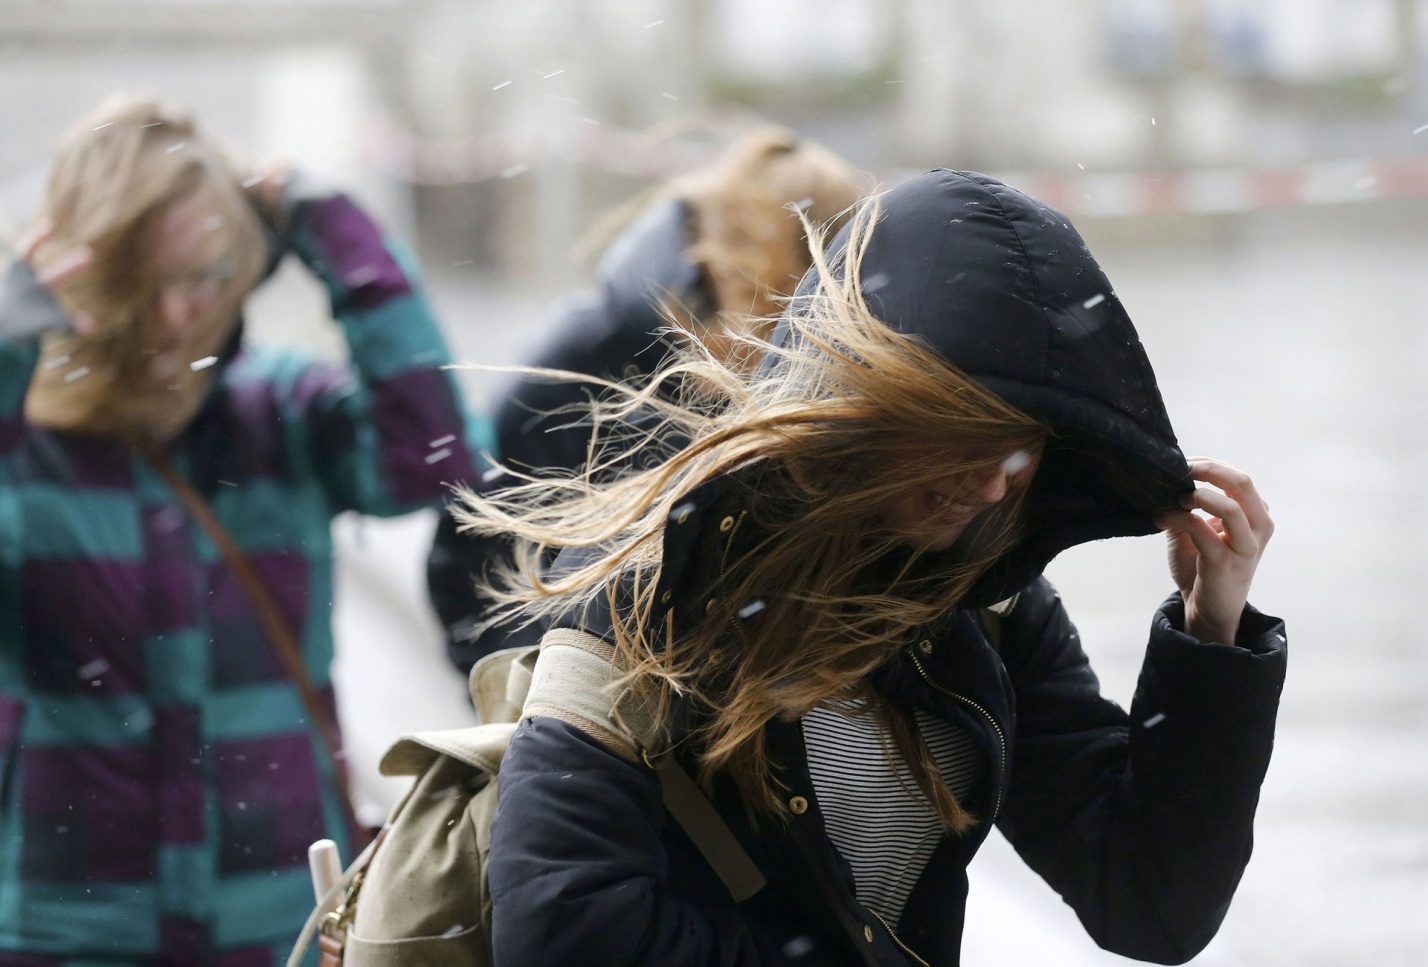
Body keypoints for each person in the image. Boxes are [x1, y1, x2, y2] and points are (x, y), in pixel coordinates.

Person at [458, 170, 1285, 965]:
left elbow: (1148, 901)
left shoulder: (992, 604)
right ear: (867, 402)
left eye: (1023, 445)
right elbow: (559, 931)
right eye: (965, 437)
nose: (992, 484)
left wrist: (1210, 637)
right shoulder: (653, 583)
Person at [0, 95, 483, 965]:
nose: (174, 317)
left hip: (281, 919)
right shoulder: (24, 442)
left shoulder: (282, 412)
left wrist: (340, 237)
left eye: (205, 278)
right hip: (67, 931)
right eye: (143, 283)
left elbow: (434, 458)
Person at [427, 126, 865, 672]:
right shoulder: (593, 353)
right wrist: (551, 689)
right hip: (579, 694)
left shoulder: (825, 381)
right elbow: (473, 552)